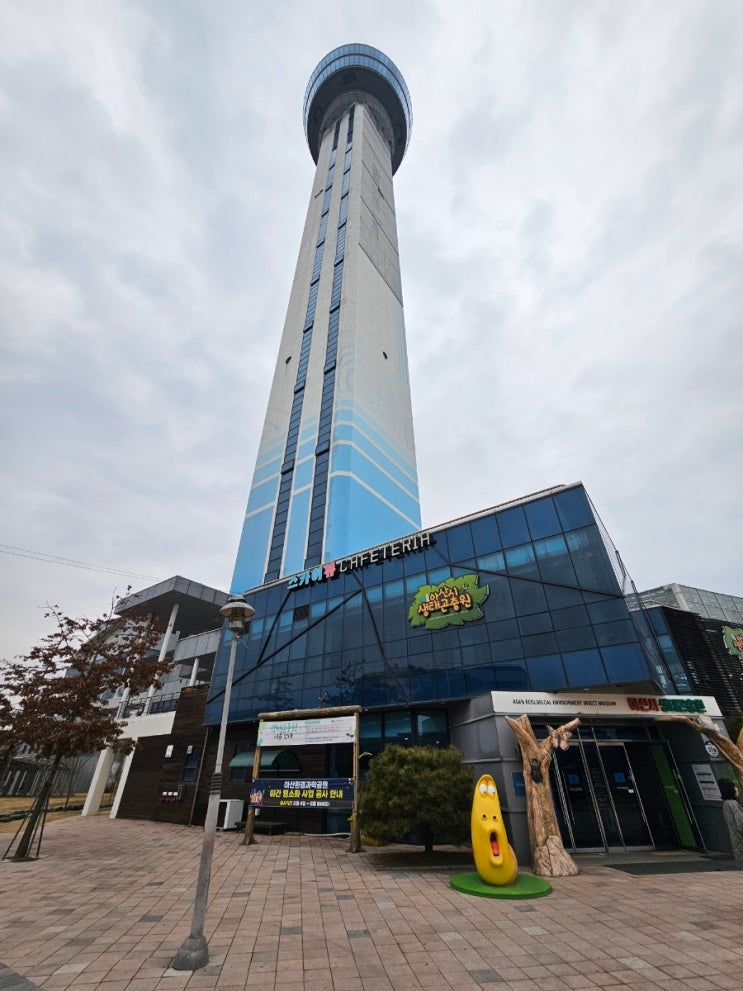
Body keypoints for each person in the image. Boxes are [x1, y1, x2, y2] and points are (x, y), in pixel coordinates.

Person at [718, 778, 743, 861]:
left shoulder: (726, 803)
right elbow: (741, 822)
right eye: (734, 786)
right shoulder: (733, 804)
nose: (736, 788)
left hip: (736, 839)